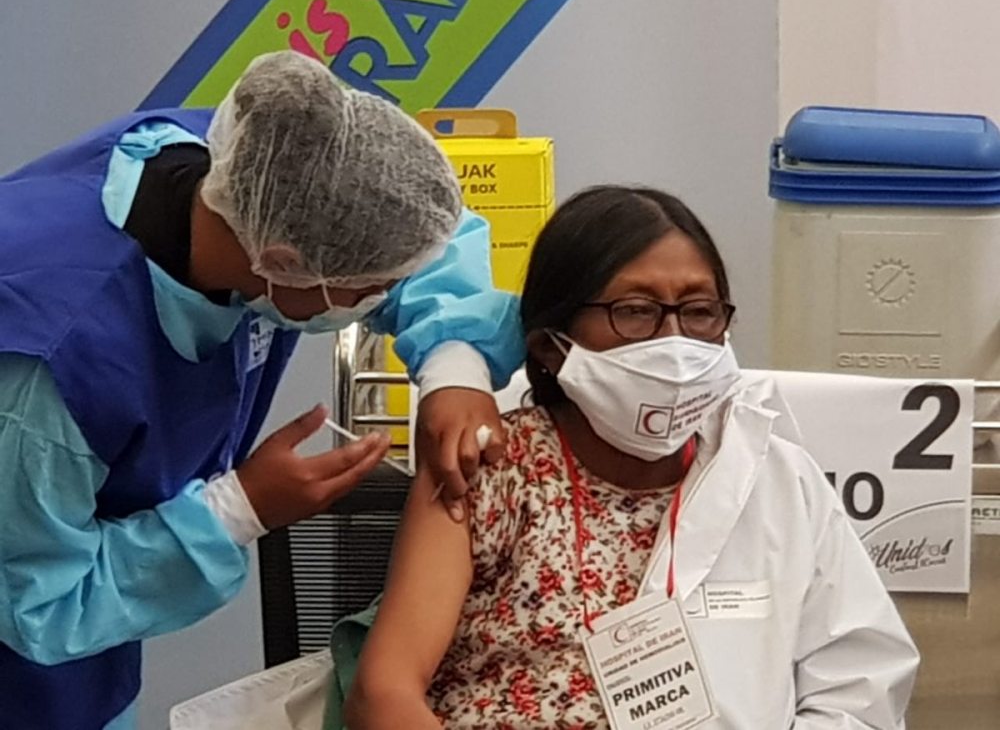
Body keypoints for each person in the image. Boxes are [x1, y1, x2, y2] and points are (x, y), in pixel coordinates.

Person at [0, 51, 523, 730]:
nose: (386, 300)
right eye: (373, 290)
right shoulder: (48, 367)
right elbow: (35, 601)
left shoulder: (252, 162)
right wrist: (238, 510)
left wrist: (456, 366)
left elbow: (416, 233)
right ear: (282, 264)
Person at [344, 186, 920, 729]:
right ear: (551, 345)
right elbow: (383, 695)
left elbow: (857, 690)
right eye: (636, 311)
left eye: (699, 310)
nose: (674, 342)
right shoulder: (489, 467)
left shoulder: (778, 479)